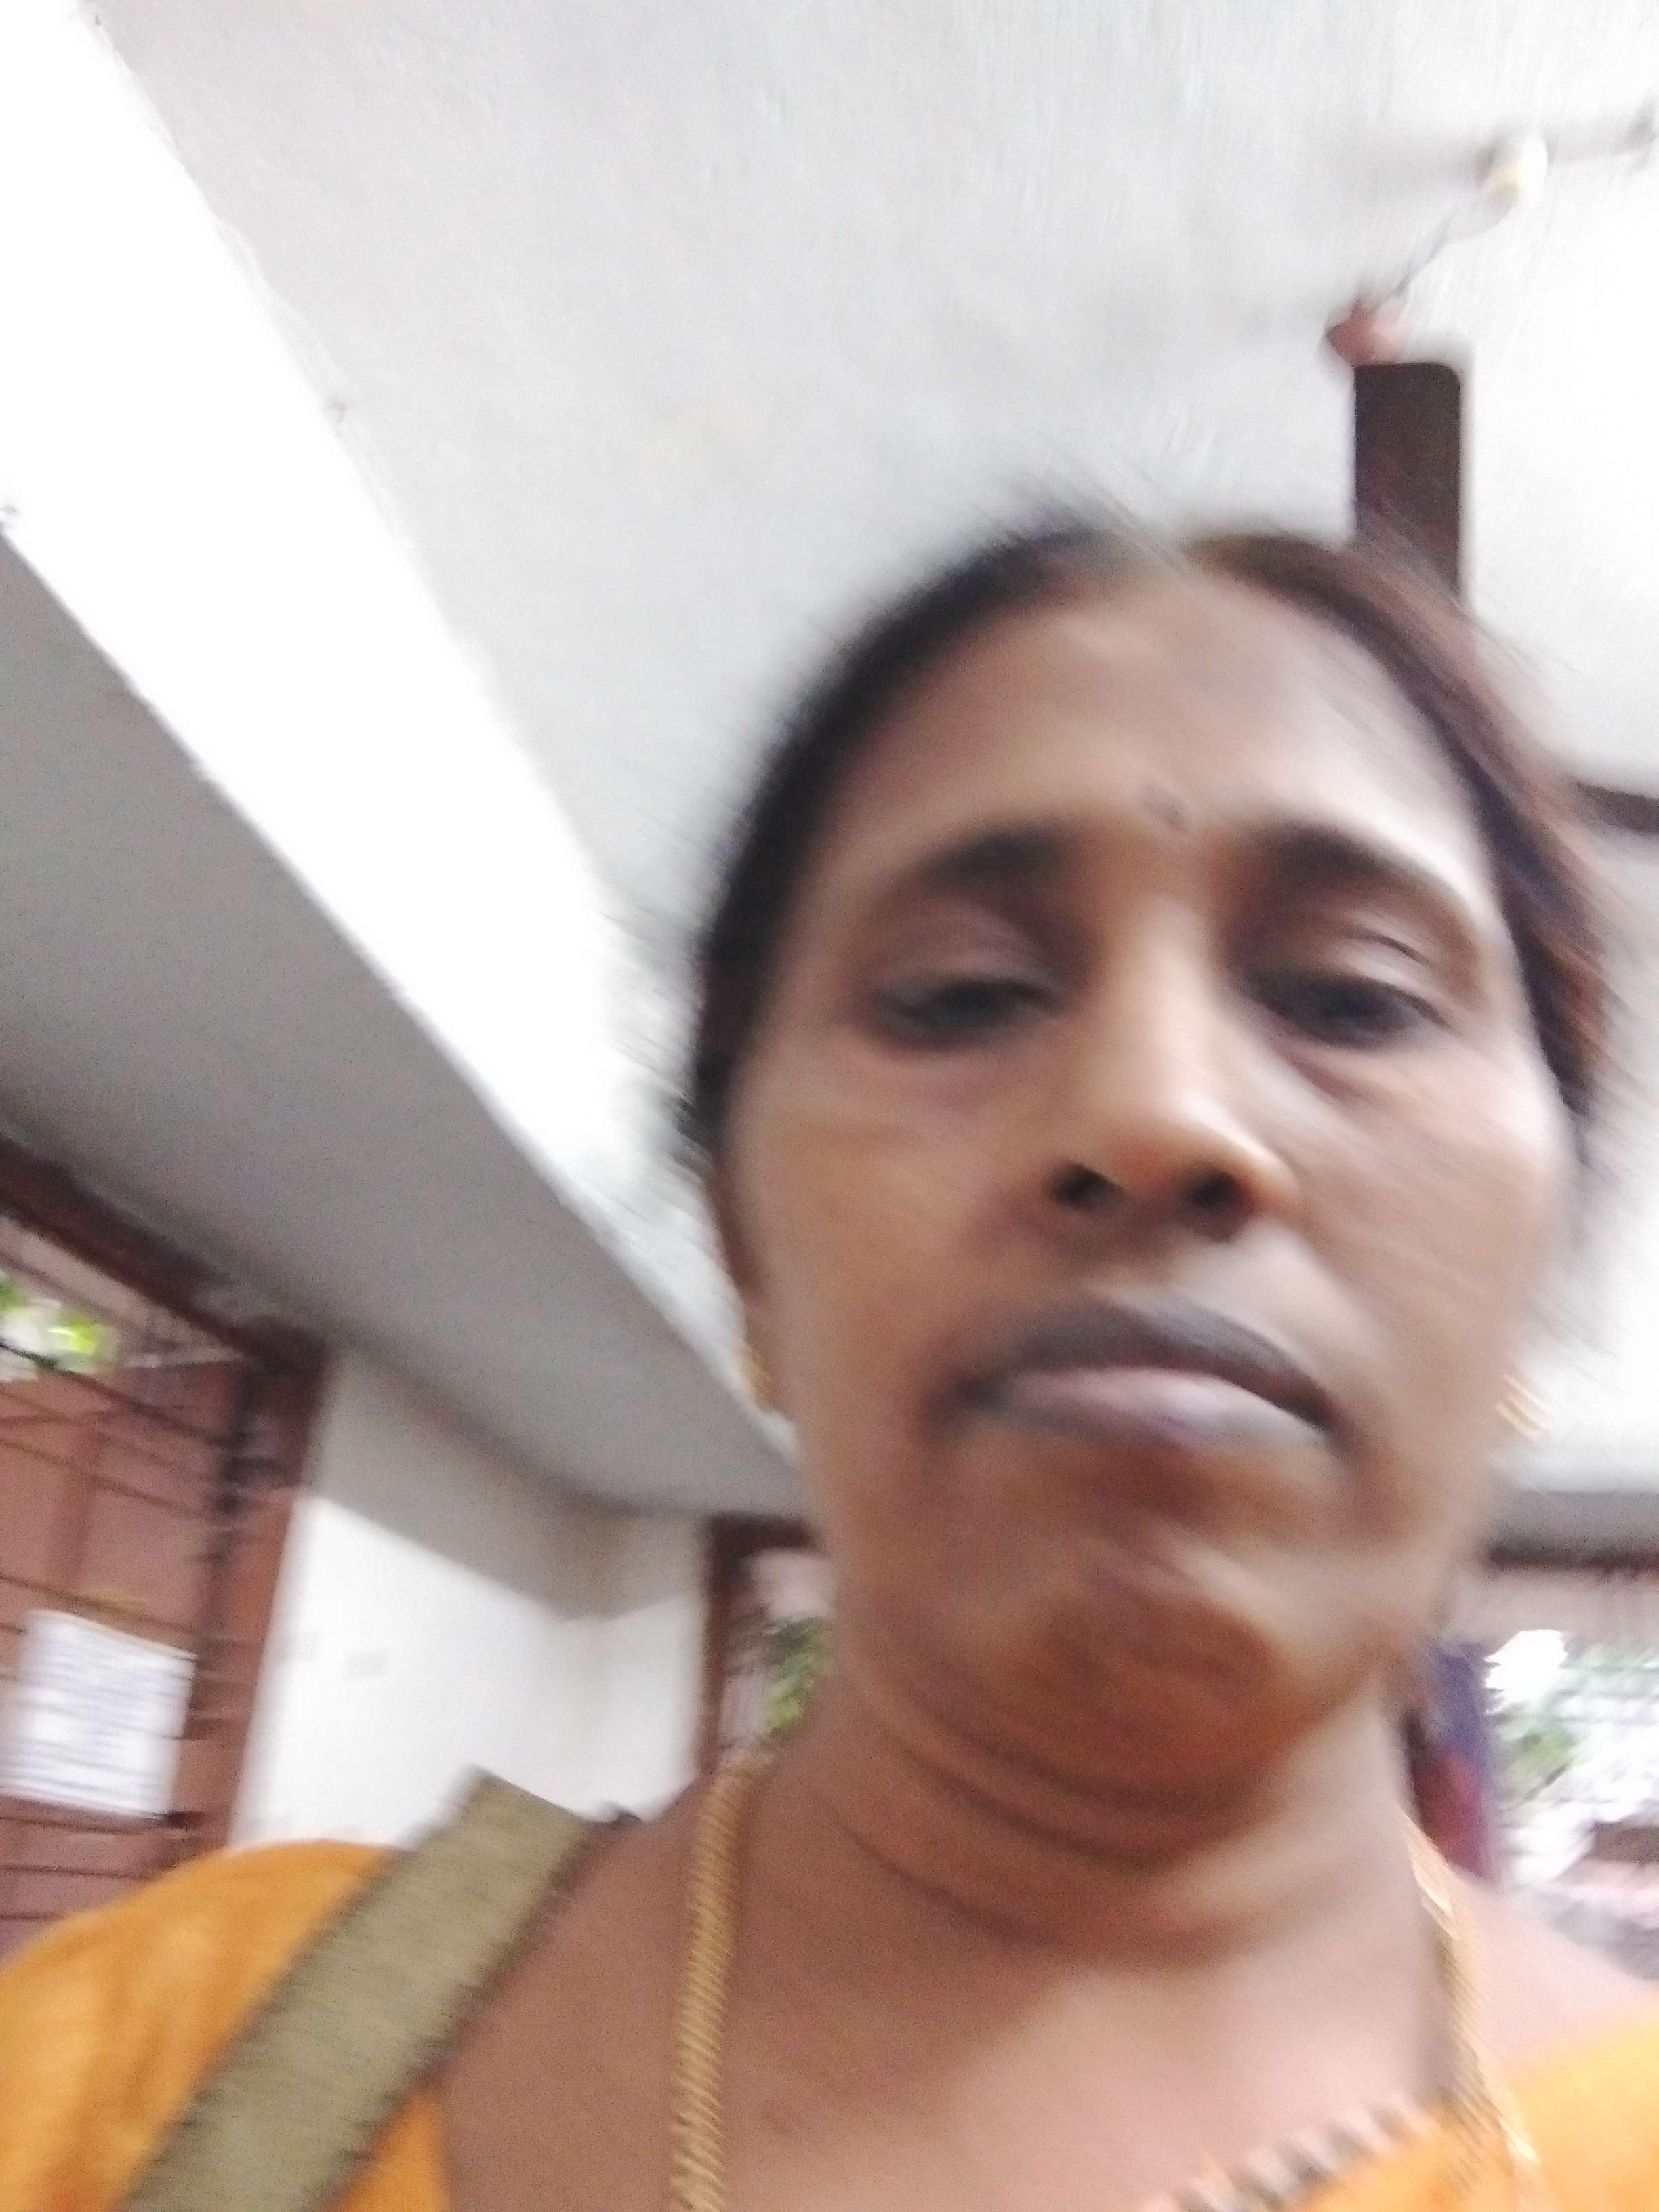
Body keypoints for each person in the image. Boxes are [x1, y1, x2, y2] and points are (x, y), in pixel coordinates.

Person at [3, 518, 1656, 2211]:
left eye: (1354, 998)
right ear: (746, 1254)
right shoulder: (149, 2071)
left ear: (1536, 1269)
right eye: (959, 997)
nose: (1156, 1109)